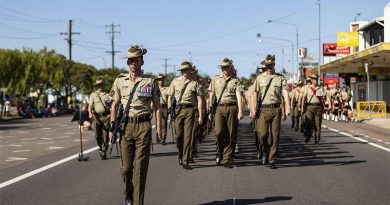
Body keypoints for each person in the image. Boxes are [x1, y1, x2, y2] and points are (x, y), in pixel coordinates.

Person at [110, 45, 161, 205]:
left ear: (141, 61)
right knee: (125, 169)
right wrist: (112, 127)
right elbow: (114, 105)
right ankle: (129, 191)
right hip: (126, 127)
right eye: (130, 60)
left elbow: (158, 107)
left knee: (140, 170)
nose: (133, 63)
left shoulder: (150, 81)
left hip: (143, 127)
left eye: (136, 60)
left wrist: (159, 128)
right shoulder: (119, 81)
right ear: (127, 63)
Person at [250, 54, 290, 169]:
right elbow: (254, 94)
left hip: (276, 109)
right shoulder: (259, 78)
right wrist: (252, 110)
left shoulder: (280, 78)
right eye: (267, 65)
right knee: (262, 134)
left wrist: (287, 107)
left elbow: (285, 93)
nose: (269, 67)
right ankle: (264, 151)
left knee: (275, 135)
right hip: (262, 109)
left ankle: (272, 159)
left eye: (271, 65)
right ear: (265, 65)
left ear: (274, 64)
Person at [208, 58, 244, 168]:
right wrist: (210, 109)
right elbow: (211, 95)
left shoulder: (235, 80)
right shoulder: (215, 79)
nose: (225, 69)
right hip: (219, 108)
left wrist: (240, 111)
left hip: (232, 107)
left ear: (230, 68)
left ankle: (227, 159)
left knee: (230, 133)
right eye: (223, 67)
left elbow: (239, 96)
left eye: (227, 67)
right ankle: (219, 151)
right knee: (218, 132)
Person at [167, 61, 203, 170]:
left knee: (188, 136)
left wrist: (200, 115)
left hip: (190, 110)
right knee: (179, 136)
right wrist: (170, 111)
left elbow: (200, 99)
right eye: (183, 70)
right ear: (181, 71)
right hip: (178, 110)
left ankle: (186, 160)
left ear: (190, 70)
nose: (185, 72)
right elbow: (169, 97)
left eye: (187, 69)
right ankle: (181, 153)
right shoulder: (175, 81)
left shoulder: (194, 83)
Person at [88, 78, 111, 160]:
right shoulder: (93, 94)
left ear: (104, 84)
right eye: (98, 85)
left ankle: (104, 151)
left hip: (106, 117)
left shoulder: (109, 93)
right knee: (97, 135)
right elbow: (90, 105)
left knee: (105, 136)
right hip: (96, 117)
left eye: (101, 84)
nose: (100, 86)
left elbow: (114, 104)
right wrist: (90, 112)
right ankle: (100, 148)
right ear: (97, 86)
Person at [300, 74, 325, 144]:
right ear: (311, 80)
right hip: (309, 107)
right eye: (314, 79)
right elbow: (303, 98)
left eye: (316, 79)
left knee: (318, 124)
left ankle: (317, 139)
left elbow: (324, 98)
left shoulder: (320, 88)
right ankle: (308, 135)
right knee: (308, 123)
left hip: (318, 107)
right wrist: (302, 107)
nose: (316, 80)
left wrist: (327, 105)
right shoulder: (307, 88)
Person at [155, 75, 169, 145]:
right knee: (157, 123)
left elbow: (170, 98)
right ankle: (158, 137)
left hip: (164, 107)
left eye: (162, 79)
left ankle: (163, 138)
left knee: (164, 124)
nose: (161, 81)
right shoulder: (155, 89)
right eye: (159, 79)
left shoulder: (167, 89)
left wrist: (169, 108)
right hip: (157, 107)